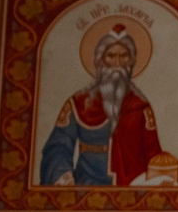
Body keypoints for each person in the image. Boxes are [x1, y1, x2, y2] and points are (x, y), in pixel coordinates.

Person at [39, 26, 166, 185]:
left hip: (131, 188)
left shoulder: (140, 107)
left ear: (131, 61)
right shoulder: (78, 103)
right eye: (111, 56)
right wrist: (65, 179)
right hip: (86, 185)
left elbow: (154, 155)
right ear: (100, 60)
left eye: (124, 56)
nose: (117, 63)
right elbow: (58, 147)